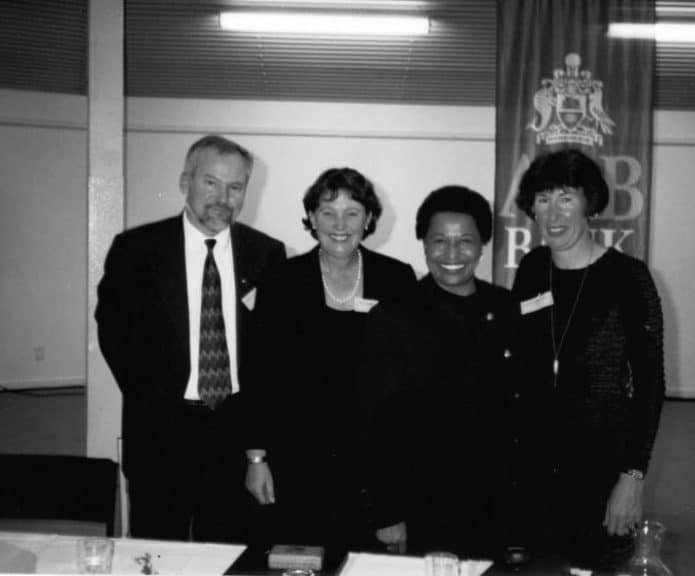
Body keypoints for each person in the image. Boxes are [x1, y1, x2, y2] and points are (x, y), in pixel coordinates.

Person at [95, 135, 286, 543]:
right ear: (185, 181)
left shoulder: (266, 253)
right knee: (158, 552)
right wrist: (153, 393)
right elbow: (113, 330)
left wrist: (258, 451)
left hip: (232, 433)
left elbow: (269, 357)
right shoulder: (137, 249)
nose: (223, 197)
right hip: (161, 431)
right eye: (211, 182)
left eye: (236, 187)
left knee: (229, 551)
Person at [244, 167, 417, 559]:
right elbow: (259, 375)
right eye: (327, 212)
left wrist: (395, 498)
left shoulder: (397, 280)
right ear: (311, 219)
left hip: (372, 473)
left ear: (369, 218)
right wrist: (256, 458)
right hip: (294, 466)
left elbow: (407, 396)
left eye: (353, 212)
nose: (340, 225)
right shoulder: (281, 280)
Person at [512, 148, 665, 570]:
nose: (552, 211)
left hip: (600, 466)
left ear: (589, 203)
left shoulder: (628, 278)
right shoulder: (531, 268)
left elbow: (651, 385)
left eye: (565, 196)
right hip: (534, 464)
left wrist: (632, 478)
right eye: (542, 199)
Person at [359, 185, 524, 558]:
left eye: (465, 241)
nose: (452, 254)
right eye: (439, 241)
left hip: (492, 503)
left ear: (484, 244)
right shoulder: (393, 316)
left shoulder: (505, 307)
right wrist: (387, 513)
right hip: (420, 508)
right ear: (423, 244)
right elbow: (374, 425)